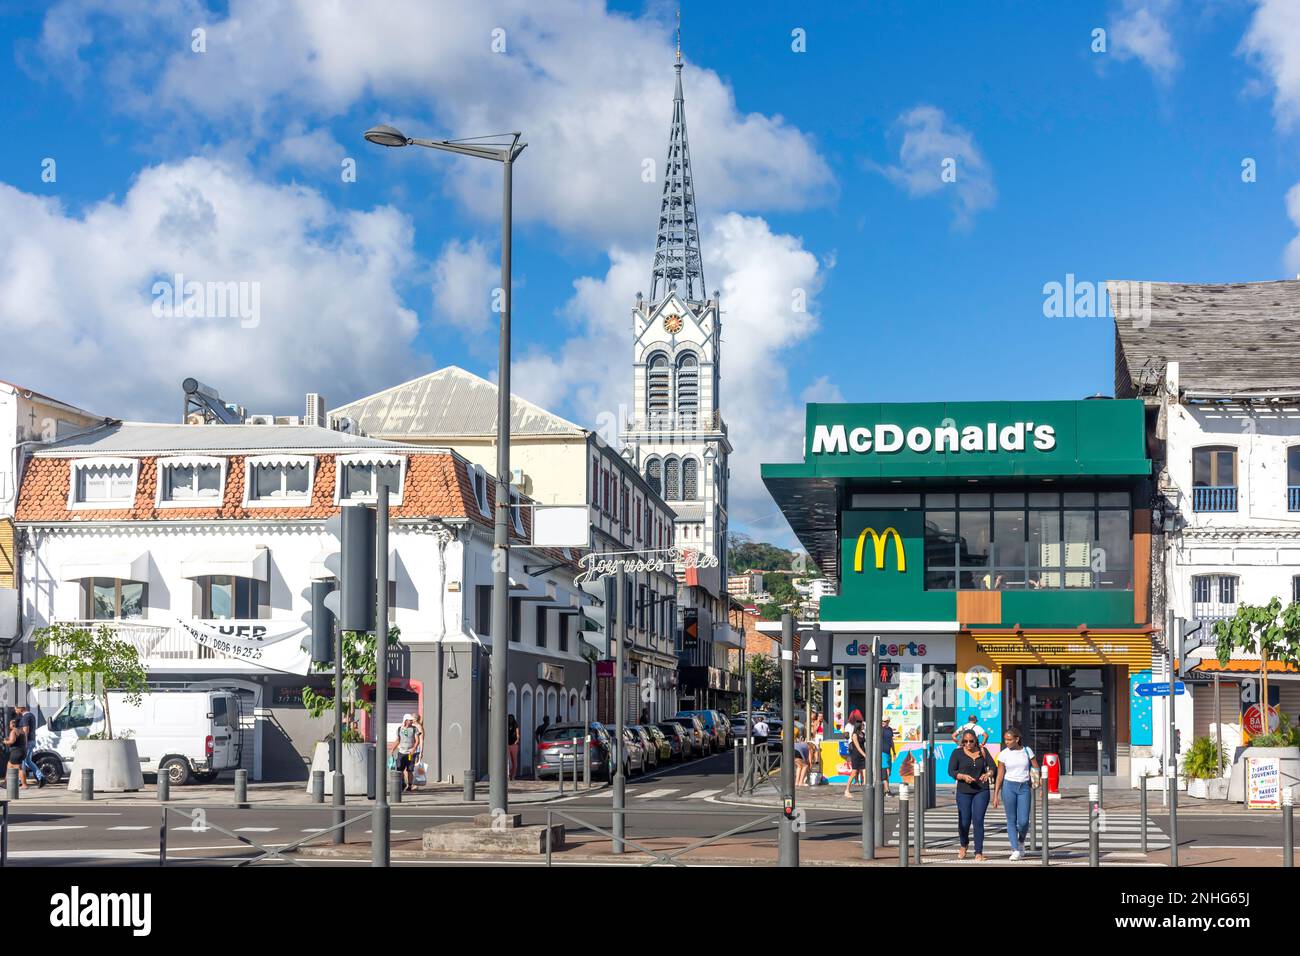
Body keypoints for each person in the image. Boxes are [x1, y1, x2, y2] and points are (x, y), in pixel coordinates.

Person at [992, 727, 1039, 860]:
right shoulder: (1003, 754)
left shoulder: (1027, 751)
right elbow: (1000, 774)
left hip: (1024, 787)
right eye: (1005, 739)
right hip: (1008, 787)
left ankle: (1021, 841)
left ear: (1017, 739)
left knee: (1024, 821)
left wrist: (1037, 785)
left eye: (1009, 739)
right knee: (1011, 820)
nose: (1006, 742)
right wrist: (995, 794)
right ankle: (1015, 849)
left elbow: (1035, 767)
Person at [947, 729, 995, 861]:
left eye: (971, 741)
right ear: (962, 741)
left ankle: (978, 852)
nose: (968, 744)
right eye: (965, 741)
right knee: (964, 821)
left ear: (976, 740)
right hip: (963, 791)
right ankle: (964, 845)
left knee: (978, 820)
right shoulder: (957, 753)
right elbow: (951, 771)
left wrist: (988, 774)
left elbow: (993, 767)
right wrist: (962, 776)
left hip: (981, 790)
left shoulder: (983, 751)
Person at [390, 713, 422, 792]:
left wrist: (414, 749)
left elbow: (417, 741)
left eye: (412, 720)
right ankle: (402, 784)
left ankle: (409, 785)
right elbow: (398, 740)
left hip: (410, 753)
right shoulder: (399, 729)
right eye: (410, 720)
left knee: (410, 770)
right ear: (405, 721)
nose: (412, 722)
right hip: (401, 752)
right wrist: (392, 749)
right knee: (399, 769)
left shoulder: (414, 729)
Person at [15, 705, 44, 789]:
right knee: (27, 761)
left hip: (27, 742)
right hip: (32, 741)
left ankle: (21, 781)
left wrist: (25, 743)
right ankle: (40, 777)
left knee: (23, 761)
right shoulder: (31, 715)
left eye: (16, 708)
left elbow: (25, 730)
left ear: (20, 708)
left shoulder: (26, 717)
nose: (15, 710)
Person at [843, 719, 867, 799]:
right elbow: (857, 746)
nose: (864, 726)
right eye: (863, 725)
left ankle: (866, 791)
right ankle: (847, 790)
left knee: (865, 772)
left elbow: (864, 744)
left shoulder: (862, 734)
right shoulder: (854, 735)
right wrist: (864, 754)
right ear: (859, 726)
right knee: (854, 773)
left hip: (863, 755)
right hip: (856, 755)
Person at [4, 719, 26, 788]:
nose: (9, 725)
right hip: (22, 751)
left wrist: (5, 742)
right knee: (9, 765)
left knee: (19, 768)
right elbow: (23, 742)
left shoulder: (13, 731)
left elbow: (12, 741)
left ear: (13, 725)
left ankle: (24, 784)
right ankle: (6, 782)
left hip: (16, 752)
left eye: (10, 724)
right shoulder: (22, 731)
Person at [879, 716, 896, 795]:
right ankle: (887, 790)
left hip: (888, 752)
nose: (883, 722)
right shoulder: (880, 730)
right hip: (882, 753)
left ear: (888, 721)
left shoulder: (889, 729)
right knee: (886, 771)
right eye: (882, 721)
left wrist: (894, 752)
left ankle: (885, 790)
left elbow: (891, 741)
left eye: (885, 721)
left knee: (889, 772)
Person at [506, 714, 521, 780]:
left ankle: (513, 775)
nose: (510, 720)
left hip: (514, 745)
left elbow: (518, 734)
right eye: (509, 718)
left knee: (514, 761)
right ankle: (508, 774)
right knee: (509, 761)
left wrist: (517, 740)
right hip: (507, 745)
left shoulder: (515, 725)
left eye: (511, 718)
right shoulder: (505, 725)